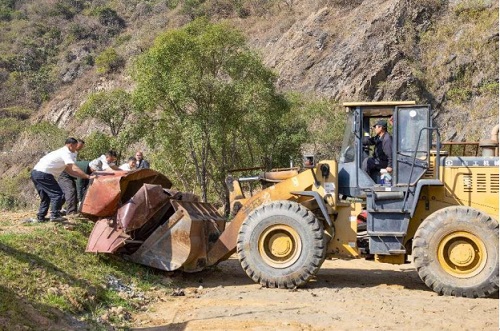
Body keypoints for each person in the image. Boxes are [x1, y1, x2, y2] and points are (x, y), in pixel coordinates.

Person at [29, 138, 93, 223]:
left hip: (36, 173)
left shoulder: (67, 152)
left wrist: (81, 176)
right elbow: (73, 167)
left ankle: (41, 217)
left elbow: (68, 169)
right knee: (57, 194)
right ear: (70, 145)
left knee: (46, 197)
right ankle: (55, 216)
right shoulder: (66, 152)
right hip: (44, 173)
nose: (77, 148)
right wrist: (87, 176)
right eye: (75, 146)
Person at [58, 139, 85, 215]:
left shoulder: (75, 152)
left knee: (66, 193)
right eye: (79, 146)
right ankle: (71, 213)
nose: (80, 148)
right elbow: (70, 165)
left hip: (71, 173)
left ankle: (57, 209)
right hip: (64, 173)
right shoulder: (66, 152)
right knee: (70, 191)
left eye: (81, 147)